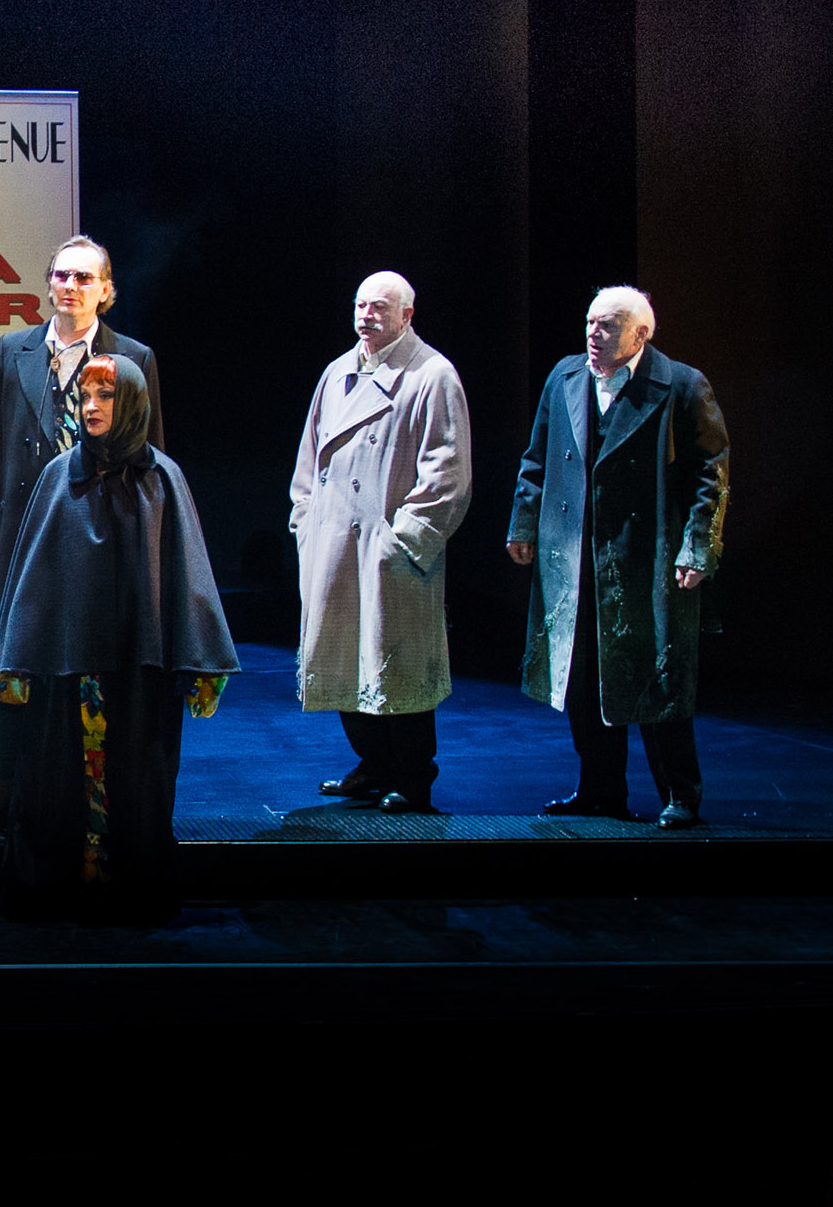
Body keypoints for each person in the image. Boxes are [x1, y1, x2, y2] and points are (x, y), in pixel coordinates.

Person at [0, 354, 237, 919]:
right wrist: (17, 656)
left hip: (138, 672)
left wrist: (201, 661)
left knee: (138, 782)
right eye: (85, 396)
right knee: (54, 785)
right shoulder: (59, 476)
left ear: (131, 404)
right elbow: (33, 576)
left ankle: (133, 894)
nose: (92, 407)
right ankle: (52, 893)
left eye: (106, 396)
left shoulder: (162, 478)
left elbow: (188, 575)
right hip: (68, 668)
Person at [0, 235, 163, 834]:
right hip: (25, 527)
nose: (70, 286)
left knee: (92, 659)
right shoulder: (15, 348)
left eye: (84, 277)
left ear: (106, 290)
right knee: (12, 655)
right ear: (48, 284)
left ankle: (88, 790)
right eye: (62, 275)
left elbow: (150, 450)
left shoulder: (132, 356)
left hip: (102, 533)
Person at [507, 286, 729, 827]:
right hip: (577, 553)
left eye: (607, 325)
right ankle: (600, 789)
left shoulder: (680, 384)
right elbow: (536, 459)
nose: (593, 334)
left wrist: (698, 547)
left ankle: (680, 793)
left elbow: (711, 472)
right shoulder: (565, 377)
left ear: (640, 334)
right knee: (584, 678)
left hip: (647, 555)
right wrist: (524, 523)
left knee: (657, 675)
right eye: (590, 322)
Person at [290, 270, 472, 813]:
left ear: (406, 316)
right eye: (360, 305)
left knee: (398, 663)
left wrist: (404, 542)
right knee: (345, 659)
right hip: (333, 544)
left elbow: (447, 473)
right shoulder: (337, 372)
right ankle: (372, 763)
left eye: (379, 308)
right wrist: (304, 521)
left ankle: (412, 776)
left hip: (387, 552)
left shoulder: (431, 374)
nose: (366, 316)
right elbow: (309, 456)